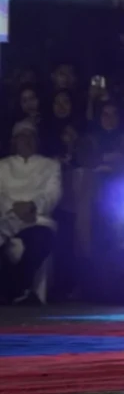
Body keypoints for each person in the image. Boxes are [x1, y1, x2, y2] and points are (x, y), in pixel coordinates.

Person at [0, 122, 61, 305]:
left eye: (30, 137)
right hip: (6, 217)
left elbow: (52, 194)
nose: (25, 141)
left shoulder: (50, 165)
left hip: (36, 219)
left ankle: (14, 288)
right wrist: (13, 206)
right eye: (21, 136)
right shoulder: (2, 166)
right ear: (14, 141)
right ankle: (16, 290)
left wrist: (32, 206)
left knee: (41, 239)